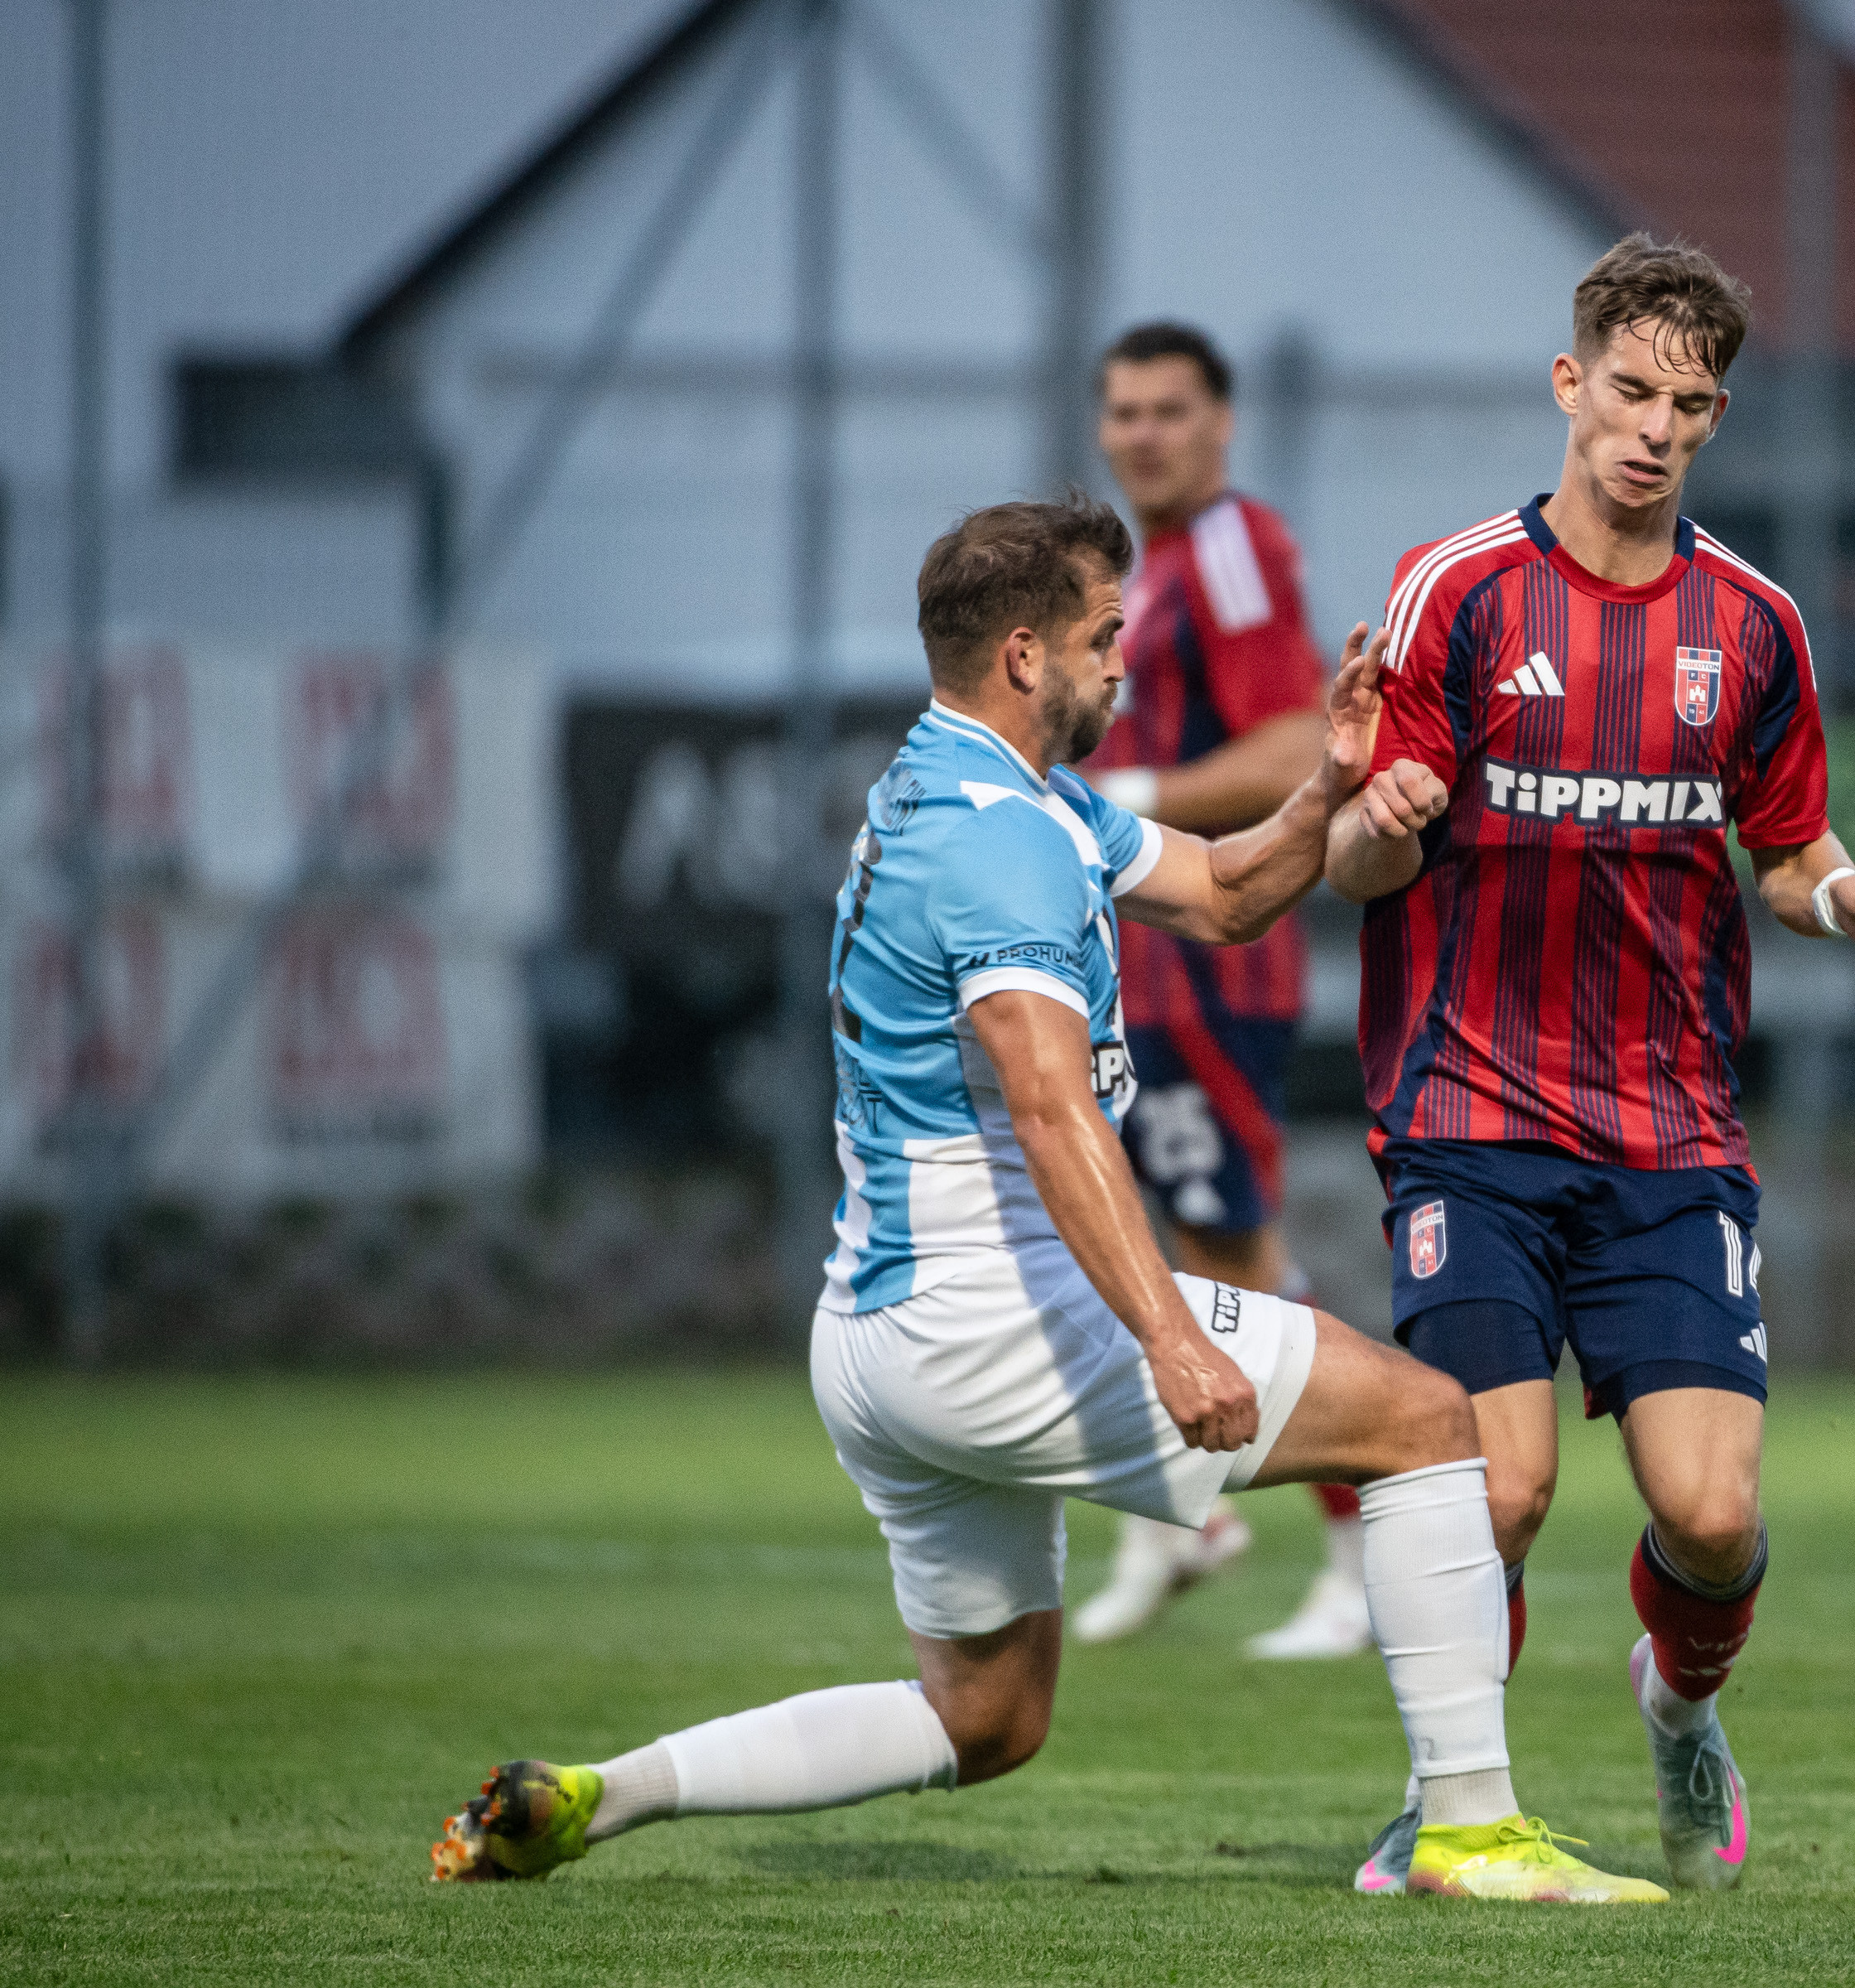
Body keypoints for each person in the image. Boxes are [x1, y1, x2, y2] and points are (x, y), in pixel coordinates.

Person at [428, 496, 1662, 1904]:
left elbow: (1223, 892)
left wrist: (1328, 784)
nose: (1123, 663)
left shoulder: (980, 790)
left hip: (876, 1337)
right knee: (1430, 1423)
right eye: (1103, 636)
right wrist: (1171, 1338)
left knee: (988, 1718)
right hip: (988, 1314)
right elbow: (1048, 1103)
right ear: (1026, 654)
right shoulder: (999, 841)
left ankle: (603, 1794)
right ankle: (1467, 1830)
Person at [1323, 235, 1855, 1894]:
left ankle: (1679, 1706)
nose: (1656, 429)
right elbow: (1361, 864)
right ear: (1569, 383)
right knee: (1495, 1490)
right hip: (1470, 1116)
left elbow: (1789, 852)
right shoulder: (1457, 591)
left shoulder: (1755, 624)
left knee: (1713, 1518)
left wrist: (1846, 898)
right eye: (1631, 390)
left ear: (1718, 417)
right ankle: (1449, 1801)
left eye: (1691, 404)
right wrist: (1379, 815)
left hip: (1671, 1132)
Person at [1068, 322, 1365, 1659]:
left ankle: (1364, 1550)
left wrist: (1124, 797)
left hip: (1211, 963)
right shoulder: (1149, 571)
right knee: (1167, 1253)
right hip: (1138, 967)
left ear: (1221, 422)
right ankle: (1179, 1520)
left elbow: (1300, 745)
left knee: (1238, 1259)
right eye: (1124, 411)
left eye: (1170, 409)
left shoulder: (1234, 545)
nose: (1145, 434)